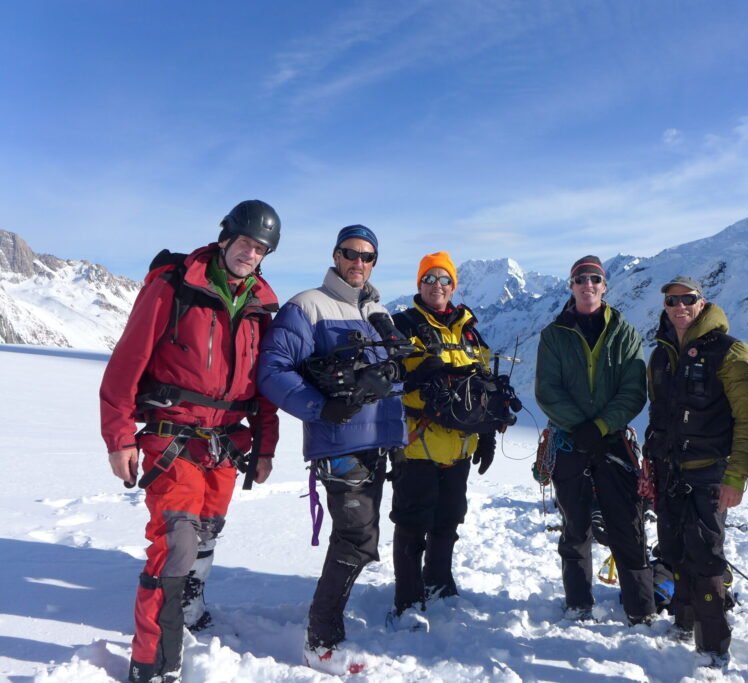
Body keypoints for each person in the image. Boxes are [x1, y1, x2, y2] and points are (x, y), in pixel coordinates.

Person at [99, 199, 282, 683]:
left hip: (225, 445)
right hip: (171, 438)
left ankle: (189, 613)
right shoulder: (174, 286)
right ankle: (154, 663)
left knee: (203, 538)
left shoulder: (263, 304)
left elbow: (265, 386)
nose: (250, 253)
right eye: (245, 242)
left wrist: (265, 447)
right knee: (176, 545)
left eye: (260, 248)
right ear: (225, 238)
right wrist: (119, 436)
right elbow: (127, 363)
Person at [256, 224, 406, 671]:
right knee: (356, 538)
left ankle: (325, 628)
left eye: (367, 256)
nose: (358, 262)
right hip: (338, 443)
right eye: (350, 253)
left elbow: (389, 378)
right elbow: (272, 371)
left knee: (360, 537)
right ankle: (321, 639)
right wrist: (321, 408)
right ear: (336, 255)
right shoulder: (307, 306)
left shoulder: (379, 310)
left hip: (377, 442)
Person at [644, 275, 748, 667]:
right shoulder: (660, 354)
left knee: (707, 556)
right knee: (673, 548)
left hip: (711, 471)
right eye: (672, 300)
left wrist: (737, 476)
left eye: (687, 299)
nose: (680, 307)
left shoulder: (731, 352)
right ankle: (683, 620)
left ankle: (714, 645)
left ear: (702, 301)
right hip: (669, 469)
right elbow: (659, 412)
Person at [534, 255, 655, 625]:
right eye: (580, 279)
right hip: (572, 443)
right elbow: (546, 390)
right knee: (575, 525)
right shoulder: (554, 335)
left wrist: (600, 427)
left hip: (610, 440)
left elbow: (634, 390)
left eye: (595, 279)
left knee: (627, 524)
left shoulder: (625, 333)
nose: (588, 284)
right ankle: (578, 603)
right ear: (572, 286)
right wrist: (581, 427)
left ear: (604, 286)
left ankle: (640, 607)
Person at [386, 252, 499, 630]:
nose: (437, 286)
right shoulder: (402, 326)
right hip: (417, 444)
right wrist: (417, 384)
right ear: (418, 284)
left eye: (444, 279)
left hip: (460, 447)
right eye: (429, 279)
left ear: (454, 285)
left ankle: (439, 581)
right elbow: (385, 382)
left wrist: (485, 433)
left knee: (448, 519)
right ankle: (407, 597)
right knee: (412, 521)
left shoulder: (469, 329)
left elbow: (482, 385)